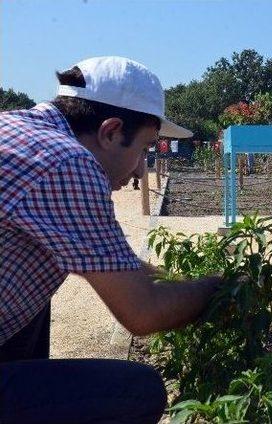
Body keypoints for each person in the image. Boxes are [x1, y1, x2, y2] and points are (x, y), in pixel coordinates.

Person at [0, 56, 238, 423]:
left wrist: (176, 281)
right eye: (144, 149)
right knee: (136, 391)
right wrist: (220, 287)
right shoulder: (67, 162)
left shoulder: (19, 130)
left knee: (34, 286)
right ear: (111, 131)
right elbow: (142, 313)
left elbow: (111, 265)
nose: (143, 169)